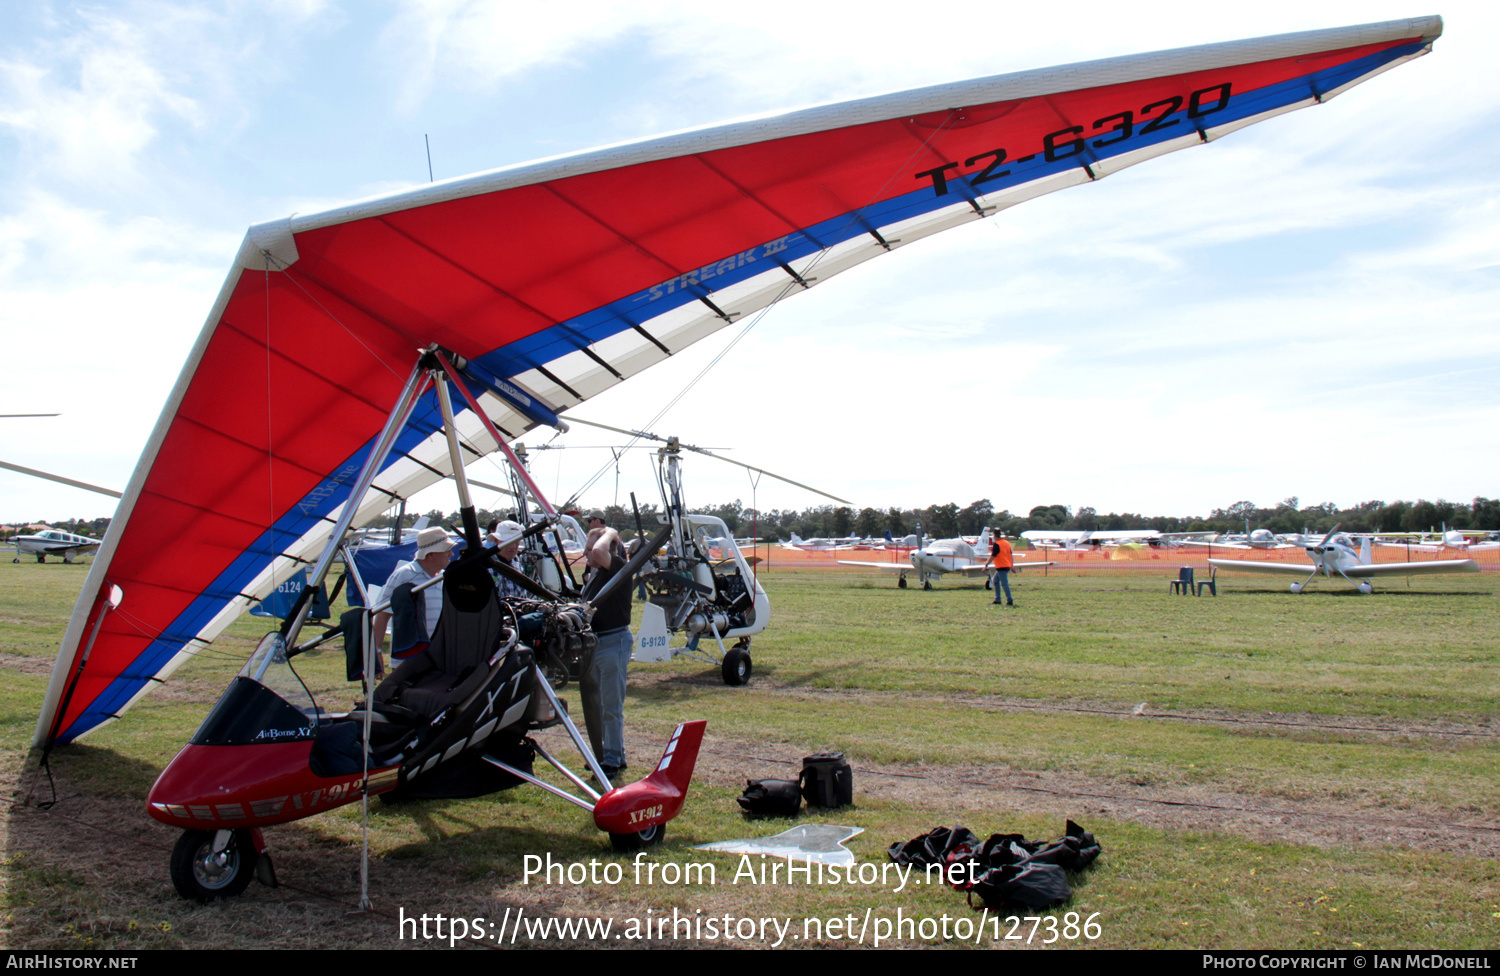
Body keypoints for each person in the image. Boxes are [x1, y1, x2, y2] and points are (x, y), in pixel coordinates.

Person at [580, 524, 633, 779]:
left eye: (591, 549)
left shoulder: (619, 568)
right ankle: (614, 755)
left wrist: (610, 532)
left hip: (614, 642)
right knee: (601, 705)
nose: (587, 554)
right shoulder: (596, 575)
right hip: (597, 643)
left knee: (611, 706)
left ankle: (610, 760)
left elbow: (603, 552)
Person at [371, 526, 455, 661]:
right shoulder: (404, 575)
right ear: (431, 554)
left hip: (437, 657)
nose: (451, 554)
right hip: (409, 658)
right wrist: (377, 651)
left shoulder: (444, 577)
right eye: (447, 550)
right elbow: (383, 614)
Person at [488, 519, 531, 598]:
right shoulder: (487, 566)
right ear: (496, 541)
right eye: (508, 542)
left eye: (516, 542)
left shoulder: (518, 565)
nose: (513, 546)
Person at [988, 530, 1015, 606]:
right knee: (995, 581)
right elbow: (1010, 555)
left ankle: (1009, 600)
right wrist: (1012, 565)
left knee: (1004, 584)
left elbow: (993, 556)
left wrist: (986, 564)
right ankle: (997, 599)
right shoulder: (1007, 543)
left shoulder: (997, 544)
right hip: (1006, 565)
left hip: (1001, 566)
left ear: (995, 535)